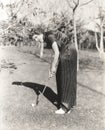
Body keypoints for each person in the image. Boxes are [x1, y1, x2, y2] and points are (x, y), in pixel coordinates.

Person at [33, 28, 77, 114]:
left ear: (40, 34)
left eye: (35, 37)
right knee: (61, 76)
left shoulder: (49, 37)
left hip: (68, 52)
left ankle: (65, 107)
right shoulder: (48, 36)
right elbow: (55, 54)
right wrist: (51, 67)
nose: (35, 40)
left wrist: (53, 67)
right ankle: (65, 103)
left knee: (65, 78)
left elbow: (56, 52)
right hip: (69, 52)